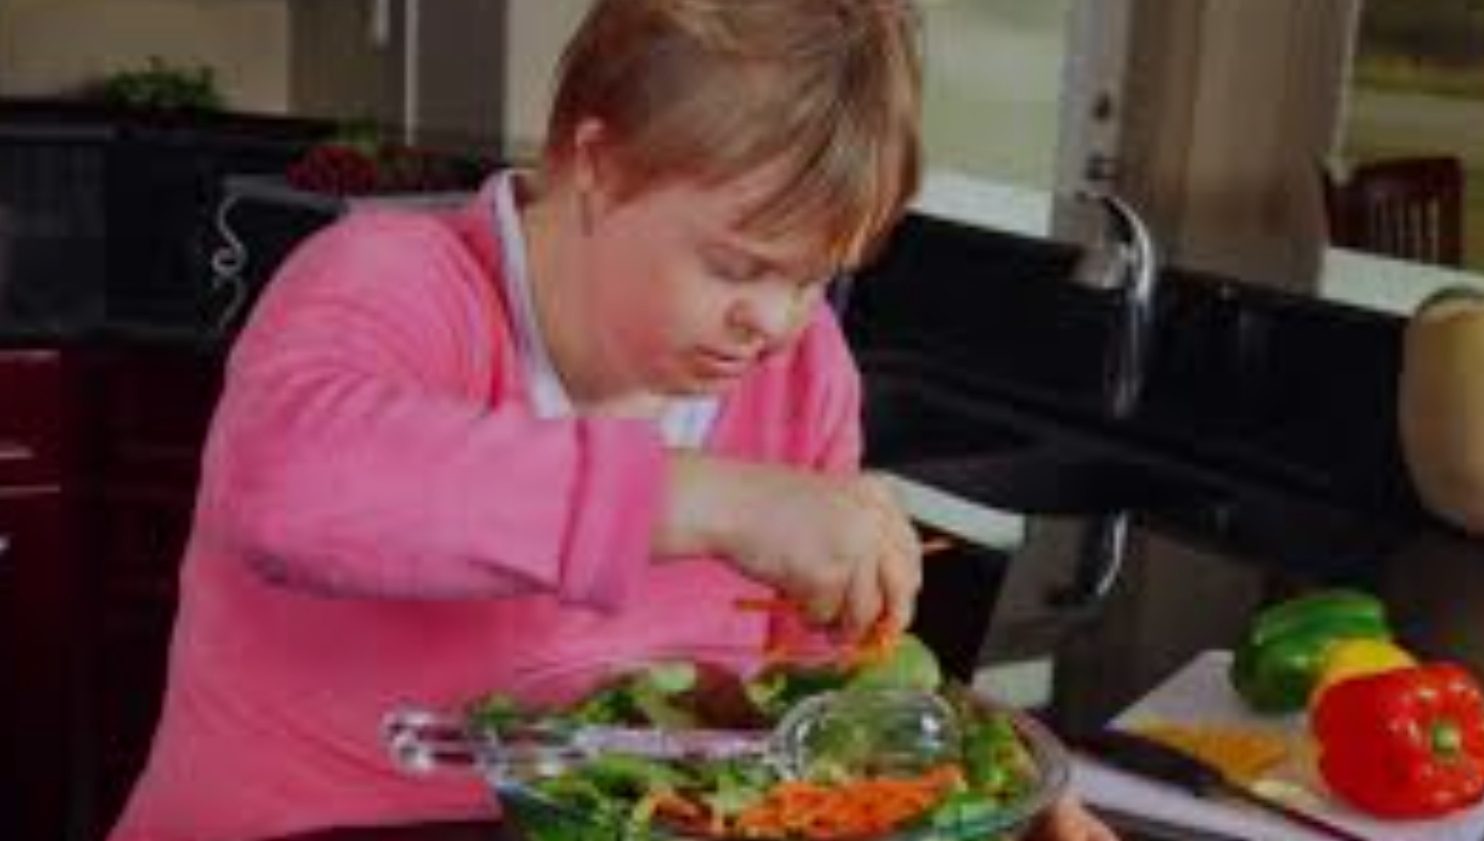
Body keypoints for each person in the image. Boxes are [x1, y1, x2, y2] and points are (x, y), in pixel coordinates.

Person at [112, 1, 1117, 839]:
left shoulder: (805, 376)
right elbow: (292, 487)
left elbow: (811, 699)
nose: (774, 321)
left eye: (817, 278)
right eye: (738, 265)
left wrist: (972, 769)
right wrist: (705, 501)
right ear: (598, 164)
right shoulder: (389, 284)